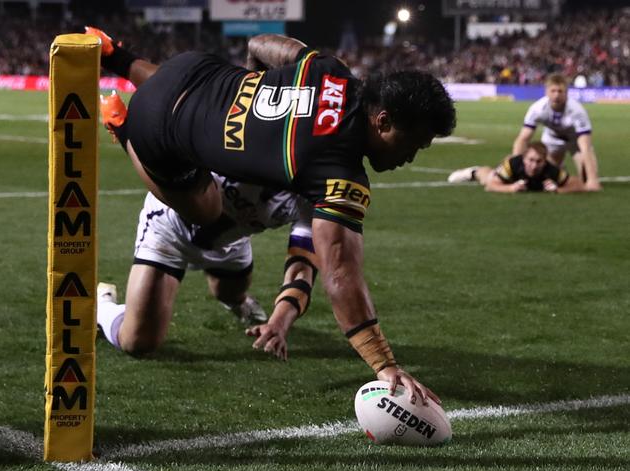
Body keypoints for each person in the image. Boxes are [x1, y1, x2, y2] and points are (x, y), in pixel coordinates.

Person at [88, 27, 456, 404]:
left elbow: (259, 44)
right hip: (164, 157)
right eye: (413, 145)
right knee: (204, 217)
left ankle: (117, 56)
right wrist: (385, 365)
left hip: (193, 72)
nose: (410, 157)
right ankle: (124, 128)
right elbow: (341, 272)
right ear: (382, 121)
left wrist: (252, 85)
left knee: (230, 287)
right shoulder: (337, 177)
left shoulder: (332, 70)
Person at [97, 94, 317, 361]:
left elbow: (303, 265)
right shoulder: (239, 132)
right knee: (138, 342)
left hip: (231, 240)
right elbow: (167, 156)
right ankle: (103, 305)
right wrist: (125, 131)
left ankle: (239, 303)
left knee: (230, 293)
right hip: (171, 228)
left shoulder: (315, 191)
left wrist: (279, 321)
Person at [511, 73, 601, 191]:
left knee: (585, 180)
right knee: (545, 174)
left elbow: (585, 147)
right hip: (552, 138)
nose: (556, 95)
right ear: (546, 92)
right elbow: (523, 139)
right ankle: (560, 169)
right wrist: (515, 171)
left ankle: (588, 177)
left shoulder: (577, 111)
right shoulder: (537, 109)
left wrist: (592, 180)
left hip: (574, 140)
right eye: (553, 91)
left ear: (566, 93)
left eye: (560, 91)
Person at [447, 141, 586, 193]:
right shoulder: (514, 165)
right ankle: (472, 172)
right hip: (511, 177)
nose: (534, 165)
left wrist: (558, 190)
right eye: (531, 160)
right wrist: (510, 188)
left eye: (539, 161)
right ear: (524, 159)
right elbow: (490, 186)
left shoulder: (551, 170)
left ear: (544, 162)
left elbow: (578, 184)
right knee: (487, 177)